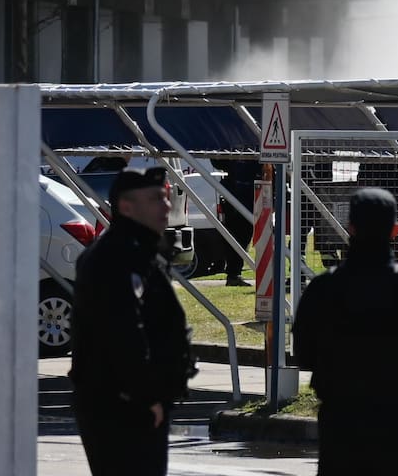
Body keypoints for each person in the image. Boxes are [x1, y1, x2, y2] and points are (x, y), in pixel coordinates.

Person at [292, 187, 398, 476]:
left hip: (343, 431)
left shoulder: (323, 291)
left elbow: (304, 354)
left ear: (350, 228)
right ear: (395, 230)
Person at [68, 165, 196, 476]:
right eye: (155, 199)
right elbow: (121, 332)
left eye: (165, 198)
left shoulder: (142, 252)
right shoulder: (113, 258)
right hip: (121, 406)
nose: (166, 206)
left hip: (138, 403)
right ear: (126, 207)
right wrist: (145, 395)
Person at [218, 159, 261, 286]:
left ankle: (234, 273)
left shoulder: (253, 156)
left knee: (244, 237)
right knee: (236, 238)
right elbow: (218, 162)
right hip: (235, 201)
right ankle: (233, 274)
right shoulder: (233, 156)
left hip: (249, 199)